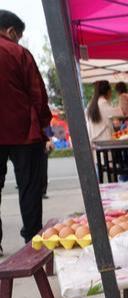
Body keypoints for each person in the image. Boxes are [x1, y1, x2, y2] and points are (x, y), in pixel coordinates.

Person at [0, 10, 52, 256]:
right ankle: (33, 241)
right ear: (11, 32)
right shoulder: (19, 53)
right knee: (29, 188)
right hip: (24, 132)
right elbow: (38, 94)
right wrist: (44, 125)